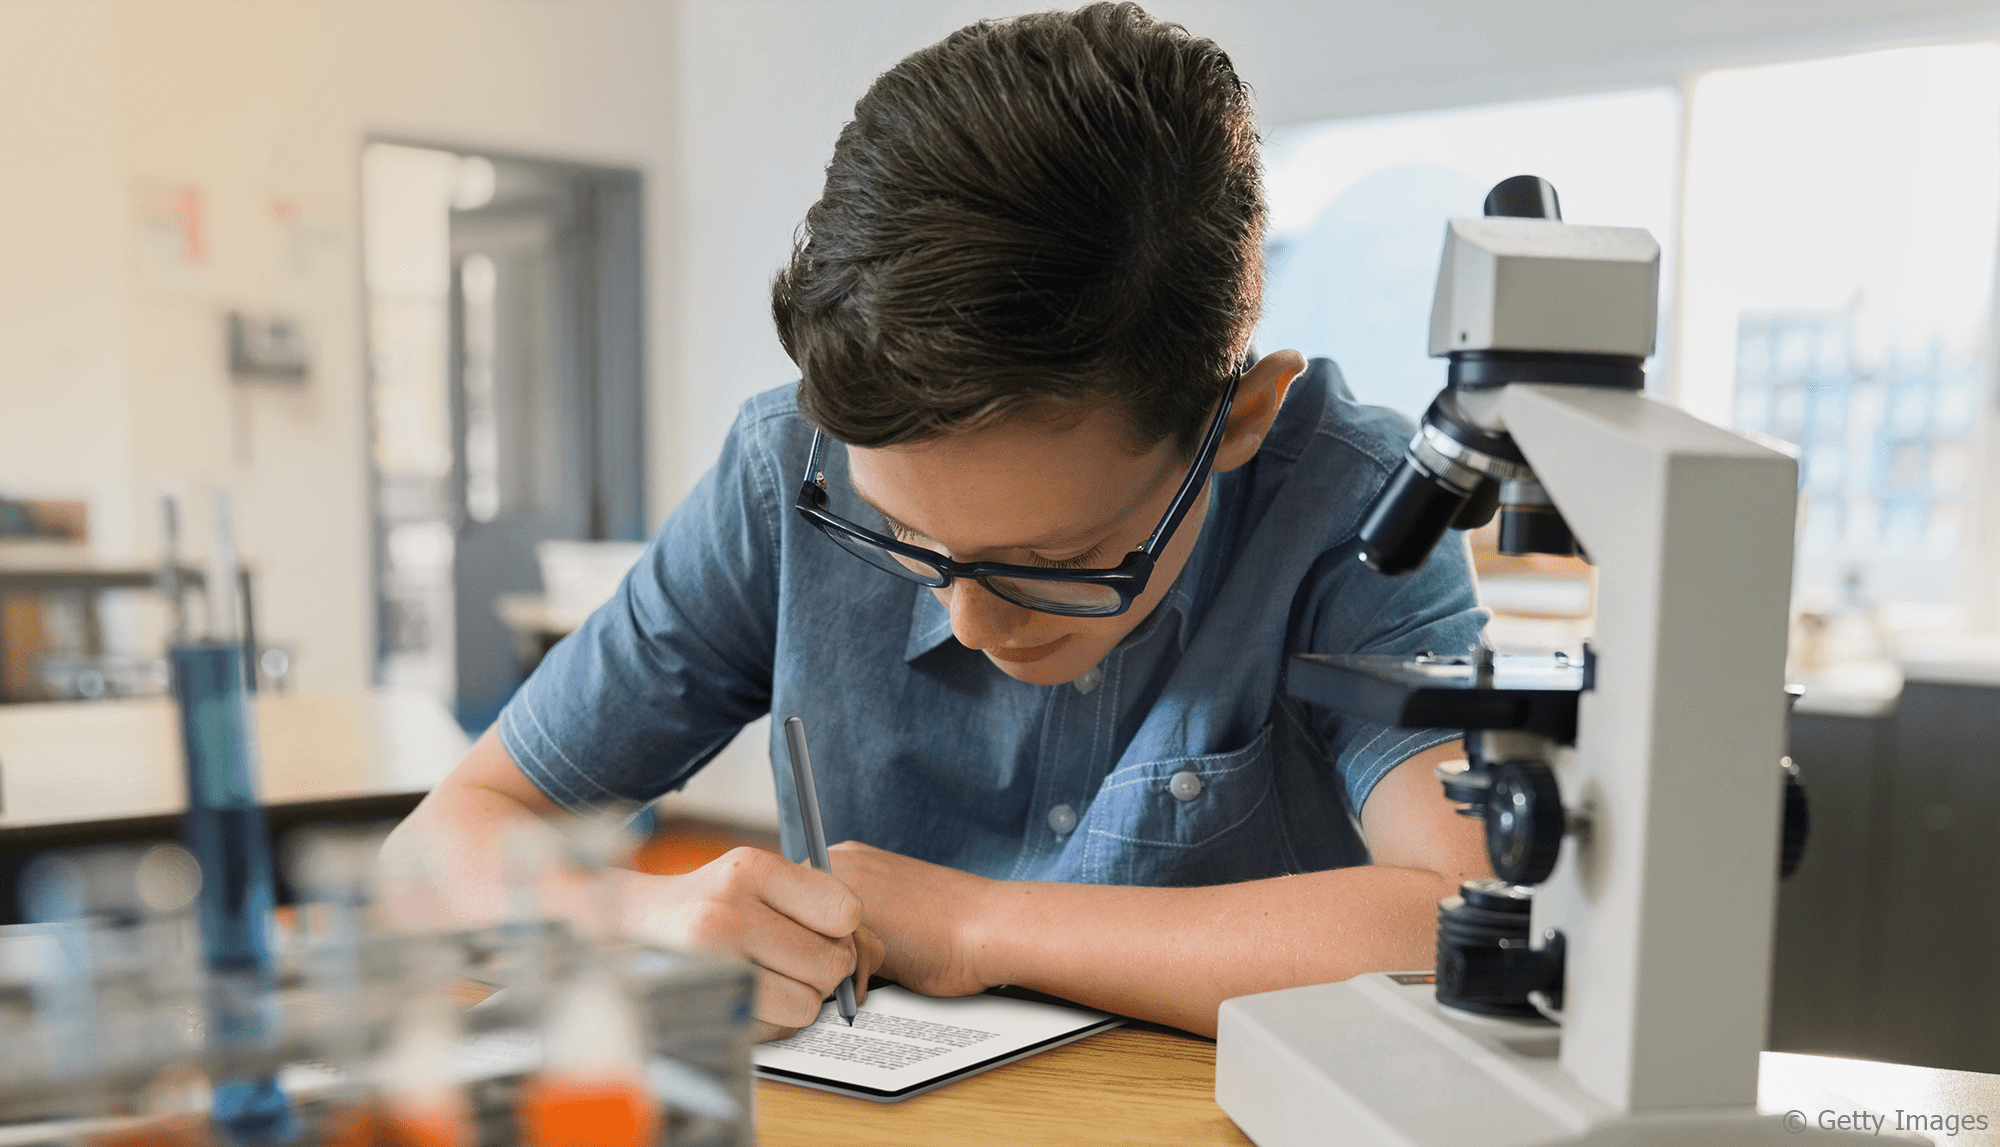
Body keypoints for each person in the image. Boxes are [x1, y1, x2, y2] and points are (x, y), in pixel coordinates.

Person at [387, 1, 1490, 1040]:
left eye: (1057, 564)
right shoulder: (788, 473)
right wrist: (641, 918)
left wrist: (974, 923)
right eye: (903, 539)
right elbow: (437, 849)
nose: (967, 622)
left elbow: (1470, 924)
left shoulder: (1359, 502)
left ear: (1238, 419)